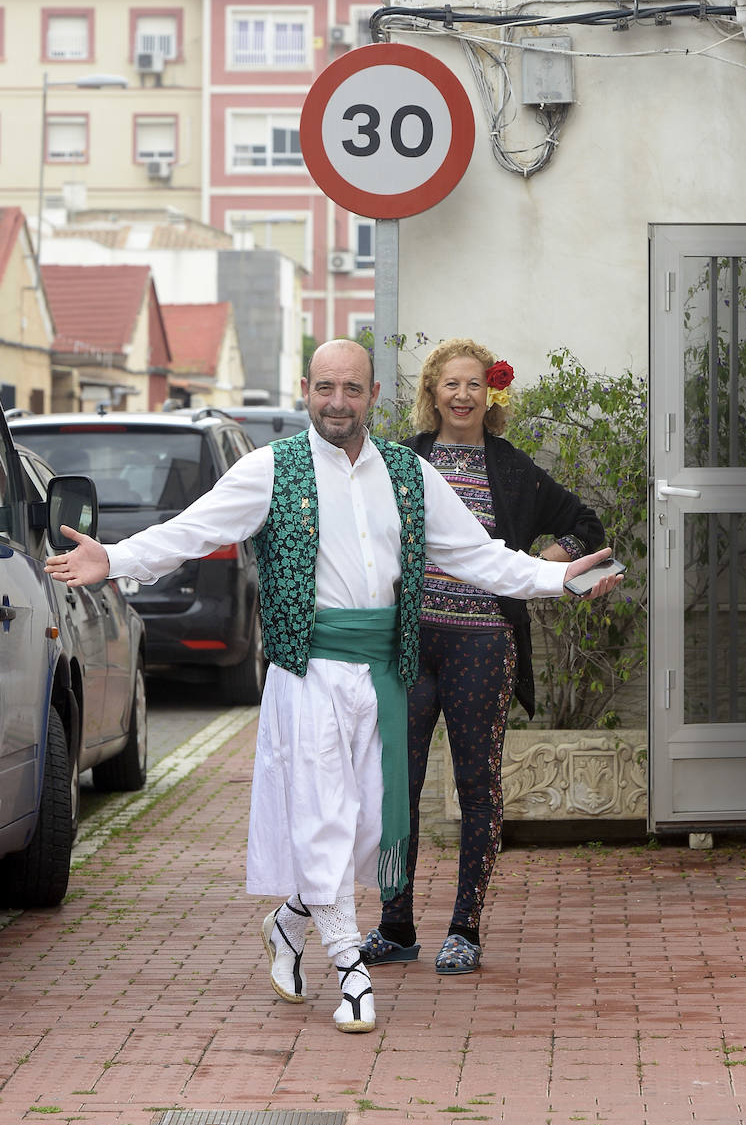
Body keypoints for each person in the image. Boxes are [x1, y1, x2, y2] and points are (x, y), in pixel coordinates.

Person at [46, 339, 619, 1034]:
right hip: (309, 671)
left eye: (351, 389)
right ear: (305, 391)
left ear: (374, 394)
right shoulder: (272, 469)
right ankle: (349, 967)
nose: (338, 402)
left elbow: (481, 559)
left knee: (374, 830)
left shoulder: (410, 474)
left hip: (385, 676)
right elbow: (191, 533)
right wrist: (116, 559)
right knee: (324, 814)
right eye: (324, 388)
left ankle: (288, 925)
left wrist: (561, 578)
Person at [360, 339, 609, 975]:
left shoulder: (512, 466)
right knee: (398, 786)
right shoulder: (401, 462)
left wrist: (531, 566)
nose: (463, 396)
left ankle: (464, 928)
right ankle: (395, 924)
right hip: (410, 643)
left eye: (474, 385)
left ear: (489, 394)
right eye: (451, 385)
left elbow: (585, 525)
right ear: (432, 393)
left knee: (476, 782)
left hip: (482, 642)